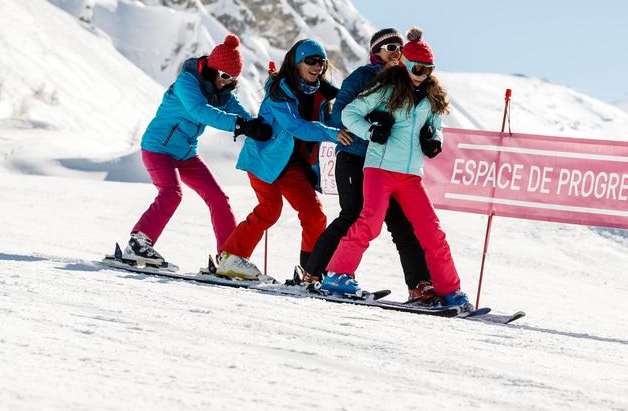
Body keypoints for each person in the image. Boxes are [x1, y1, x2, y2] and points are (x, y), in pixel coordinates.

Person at [320, 27, 471, 311]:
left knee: (432, 232)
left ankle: (449, 290)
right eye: (417, 67)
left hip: (412, 176)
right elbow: (349, 113)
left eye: (428, 69)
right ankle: (337, 276)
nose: (421, 73)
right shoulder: (385, 88)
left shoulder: (431, 97)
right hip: (379, 169)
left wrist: (434, 140)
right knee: (370, 222)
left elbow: (436, 126)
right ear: (404, 64)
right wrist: (370, 131)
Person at [302, 28, 433, 301]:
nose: (396, 53)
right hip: (355, 156)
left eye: (399, 47)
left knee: (402, 224)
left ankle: (420, 286)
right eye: (390, 48)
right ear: (376, 52)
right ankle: (313, 273)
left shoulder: (406, 81)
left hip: (387, 164)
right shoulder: (363, 76)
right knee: (353, 214)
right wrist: (371, 125)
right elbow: (340, 114)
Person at [125, 34, 271, 266]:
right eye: (224, 76)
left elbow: (241, 112)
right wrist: (240, 126)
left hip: (186, 154)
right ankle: (139, 244)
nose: (226, 82)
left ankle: (228, 256)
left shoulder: (221, 92)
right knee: (171, 193)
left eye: (232, 79)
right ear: (212, 69)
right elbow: (199, 111)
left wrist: (260, 127)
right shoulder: (187, 82)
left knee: (219, 198)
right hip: (158, 148)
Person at [215, 39, 347, 280]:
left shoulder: (322, 93)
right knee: (270, 208)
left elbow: (332, 123)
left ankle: (311, 271)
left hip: (292, 165)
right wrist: (333, 133)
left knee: (314, 214)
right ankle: (231, 257)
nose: (317, 66)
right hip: (264, 159)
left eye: (321, 62)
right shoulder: (279, 91)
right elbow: (295, 126)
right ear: (297, 63)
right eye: (311, 61)